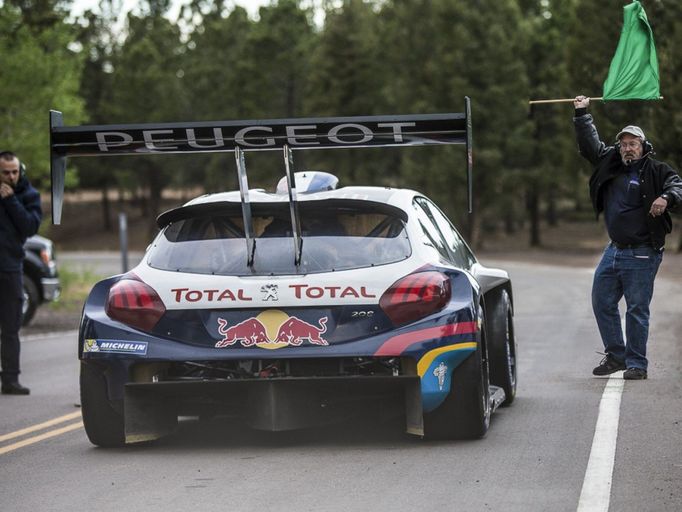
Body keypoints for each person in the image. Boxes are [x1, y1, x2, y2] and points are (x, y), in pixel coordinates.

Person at [573, 96, 682, 380]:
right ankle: (617, 355)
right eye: (623, 143)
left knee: (636, 308)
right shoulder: (611, 162)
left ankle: (636, 364)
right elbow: (589, 146)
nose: (627, 148)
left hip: (643, 251)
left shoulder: (658, 170)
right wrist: (582, 113)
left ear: (644, 147)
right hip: (615, 249)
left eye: (633, 143)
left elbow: (678, 186)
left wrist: (666, 197)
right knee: (601, 300)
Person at [0, 151, 42, 395]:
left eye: (14, 172)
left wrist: (10, 200)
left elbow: (29, 226)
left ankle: (10, 380)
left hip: (11, 269)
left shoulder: (28, 195)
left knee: (11, 327)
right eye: (5, 172)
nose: (11, 176)